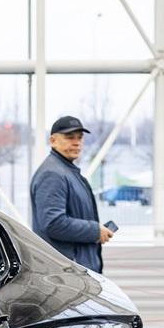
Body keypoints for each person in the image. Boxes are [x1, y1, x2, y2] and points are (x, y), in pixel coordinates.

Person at [30, 115, 112, 272]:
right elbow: (53, 223)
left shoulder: (66, 171)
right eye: (69, 137)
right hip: (67, 272)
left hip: (73, 269)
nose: (77, 142)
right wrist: (94, 231)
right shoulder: (53, 174)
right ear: (53, 141)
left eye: (80, 137)